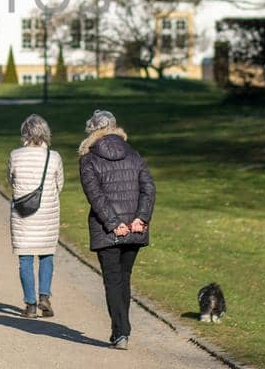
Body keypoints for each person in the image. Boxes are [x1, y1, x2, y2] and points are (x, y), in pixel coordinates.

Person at [77, 108, 155, 350]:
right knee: (124, 279)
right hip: (132, 228)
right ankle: (122, 330)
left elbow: (95, 196)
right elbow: (149, 189)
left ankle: (120, 332)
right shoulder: (134, 155)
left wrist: (113, 224)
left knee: (113, 281)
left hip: (109, 229)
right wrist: (140, 219)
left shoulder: (88, 158)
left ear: (92, 130)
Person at [8, 113, 63, 319]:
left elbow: (11, 181)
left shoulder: (15, 155)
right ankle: (44, 296)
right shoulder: (54, 157)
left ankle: (30, 304)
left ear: (25, 133)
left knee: (25, 259)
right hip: (47, 213)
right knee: (47, 255)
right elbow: (60, 185)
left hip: (23, 213)